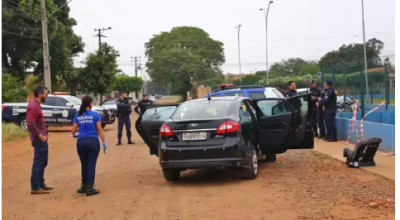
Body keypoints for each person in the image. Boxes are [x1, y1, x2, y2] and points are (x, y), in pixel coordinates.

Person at [71, 95, 107, 196]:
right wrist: (104, 142)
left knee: (84, 164)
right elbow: (99, 130)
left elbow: (73, 130)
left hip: (81, 142)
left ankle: (83, 186)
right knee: (91, 164)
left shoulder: (78, 115)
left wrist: (73, 135)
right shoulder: (95, 115)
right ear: (90, 104)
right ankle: (90, 188)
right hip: (93, 142)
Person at [27, 85, 52, 194]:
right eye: (46, 93)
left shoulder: (37, 105)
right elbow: (30, 124)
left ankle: (41, 183)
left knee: (43, 162)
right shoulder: (33, 106)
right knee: (38, 162)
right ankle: (35, 187)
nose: (46, 95)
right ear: (41, 94)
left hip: (42, 138)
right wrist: (40, 135)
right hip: (39, 139)